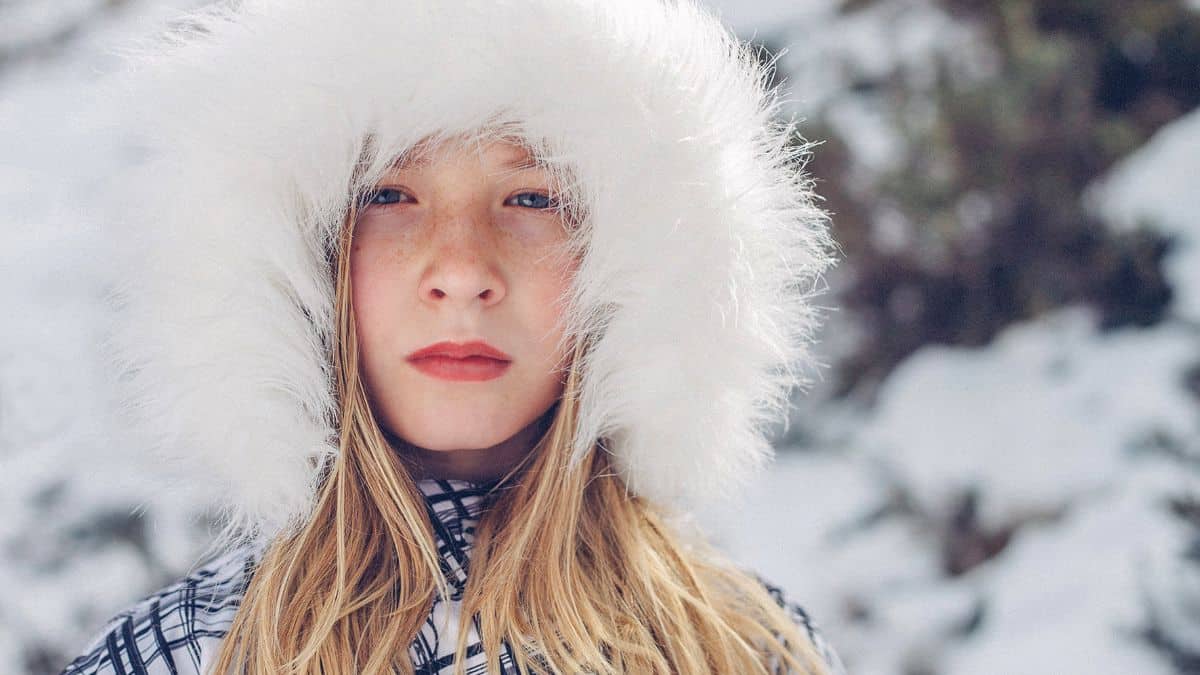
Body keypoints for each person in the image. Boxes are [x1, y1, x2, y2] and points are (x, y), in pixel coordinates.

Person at [60, 0, 848, 673]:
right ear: (295, 250)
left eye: (533, 197)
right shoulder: (183, 655)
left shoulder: (744, 647)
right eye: (391, 193)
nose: (464, 270)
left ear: (642, 257)